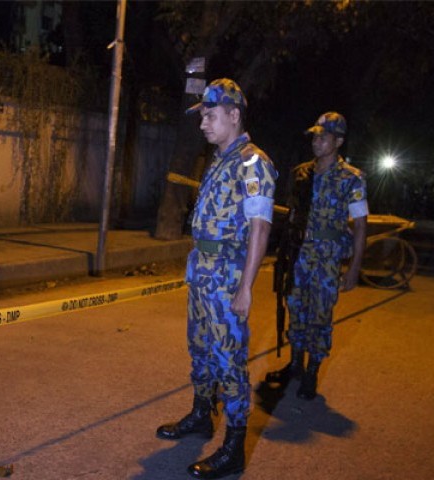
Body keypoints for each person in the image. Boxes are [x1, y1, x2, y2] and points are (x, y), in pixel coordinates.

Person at [156, 78, 277, 479]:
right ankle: (201, 415)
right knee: (202, 349)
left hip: (227, 277)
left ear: (234, 115)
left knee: (229, 361)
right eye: (202, 116)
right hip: (203, 273)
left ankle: (234, 448)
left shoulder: (252, 162)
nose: (203, 124)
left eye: (210, 116)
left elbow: (260, 225)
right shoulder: (220, 160)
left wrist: (246, 287)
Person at [265, 112, 368, 400]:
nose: (316, 141)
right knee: (295, 307)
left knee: (320, 314)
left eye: (323, 137)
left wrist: (354, 268)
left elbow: (360, 224)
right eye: (315, 136)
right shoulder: (301, 173)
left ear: (339, 141)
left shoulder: (352, 179)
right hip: (300, 253)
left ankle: (312, 371)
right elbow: (294, 214)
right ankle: (295, 364)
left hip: (328, 256)